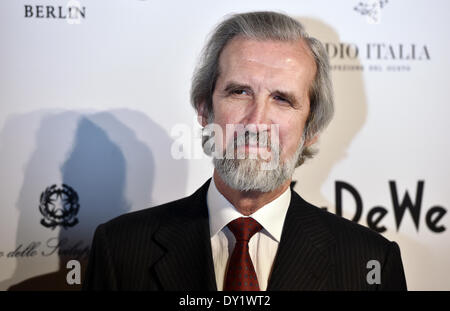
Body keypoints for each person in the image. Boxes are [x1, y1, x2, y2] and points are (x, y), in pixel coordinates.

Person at [83, 11, 407, 291]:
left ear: (311, 131)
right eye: (239, 92)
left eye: (282, 99)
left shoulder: (371, 263)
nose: (256, 122)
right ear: (204, 110)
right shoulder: (121, 250)